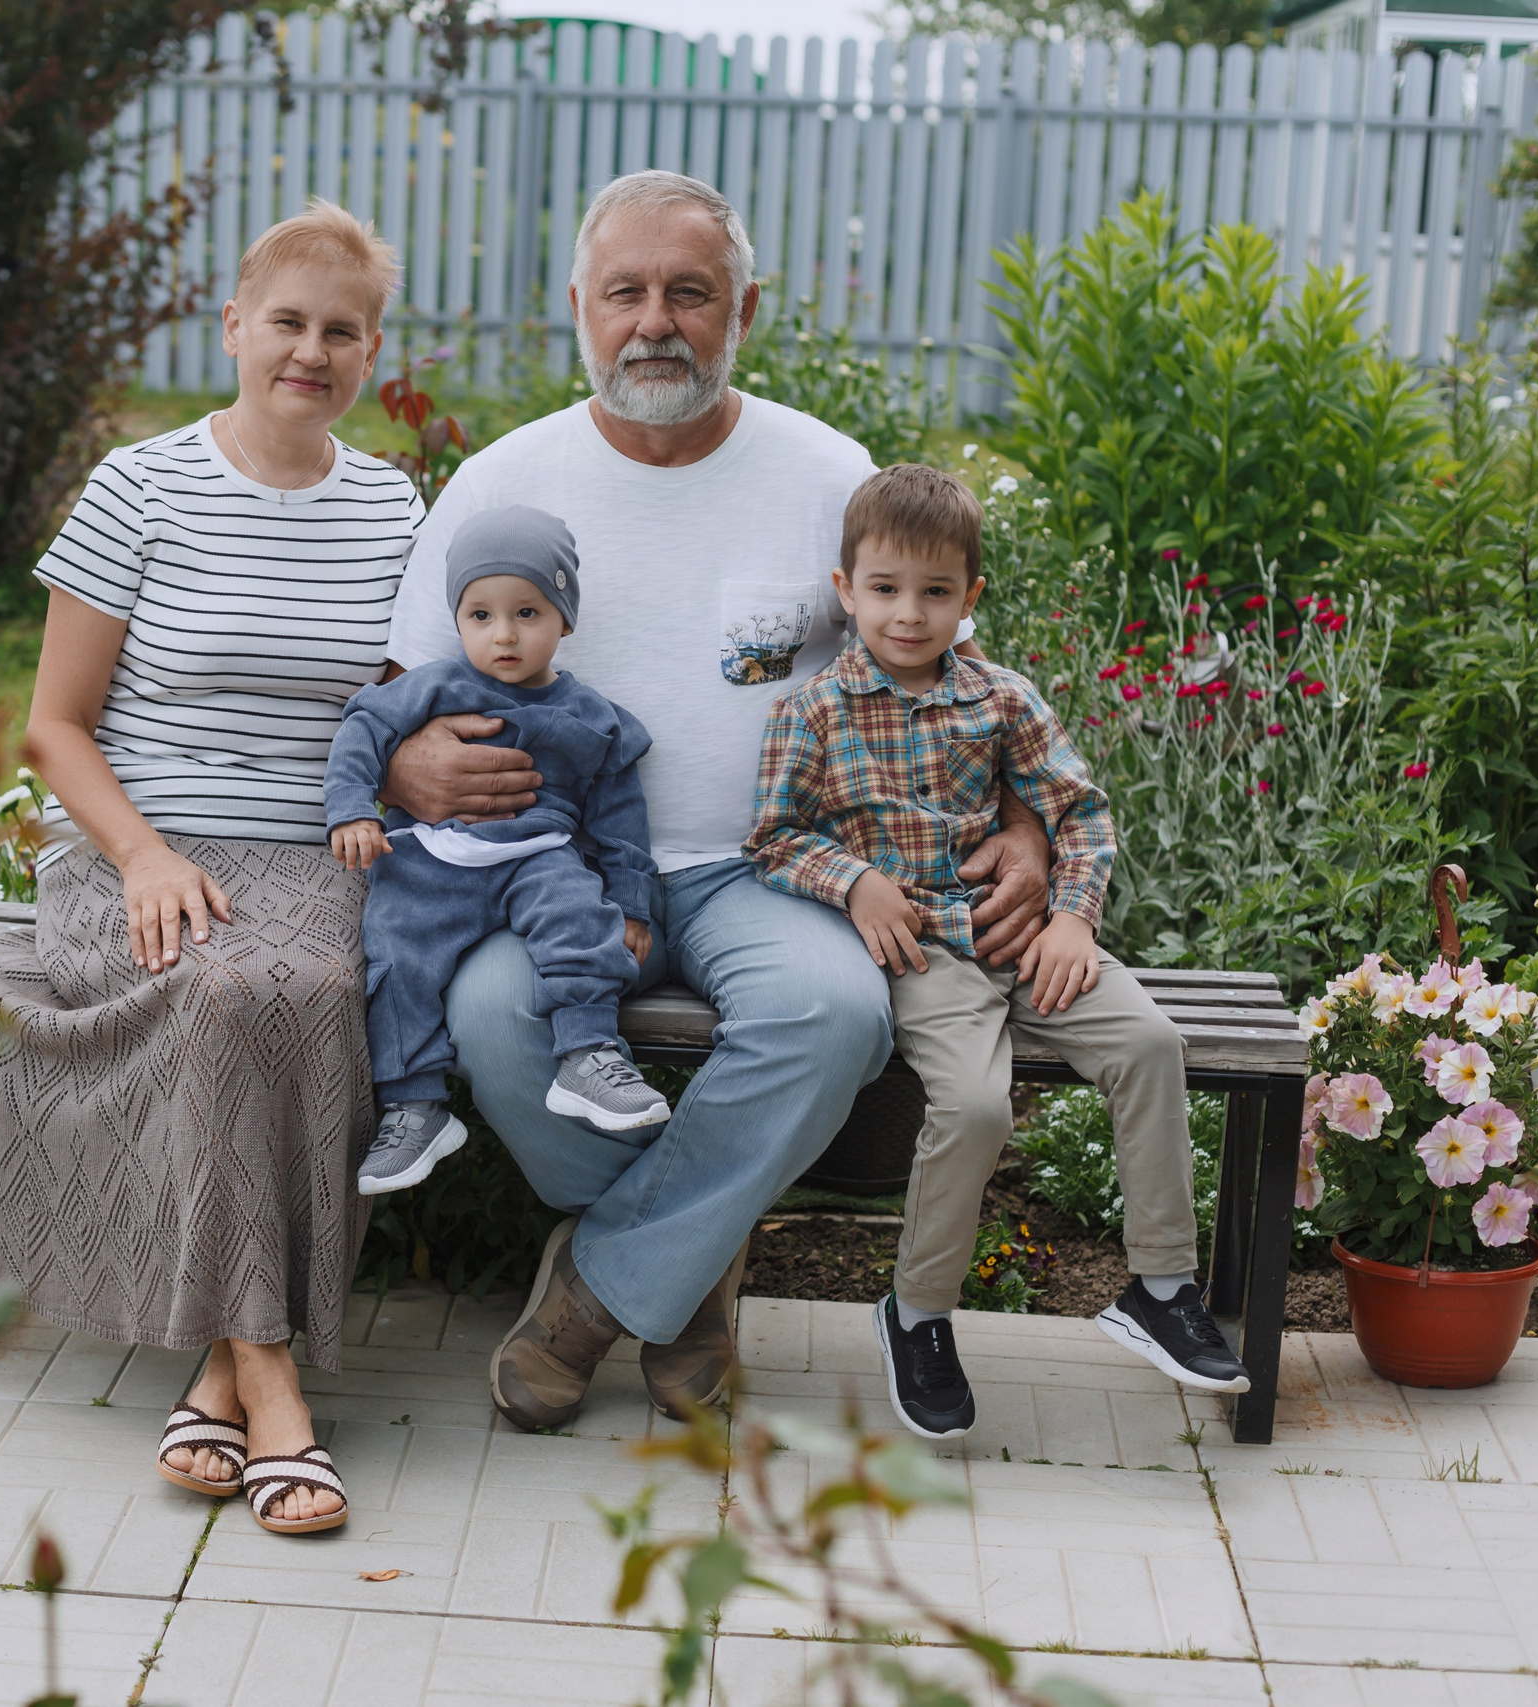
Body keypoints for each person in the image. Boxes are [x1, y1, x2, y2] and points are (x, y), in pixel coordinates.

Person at [378, 170, 1056, 1433]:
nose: (655, 322)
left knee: (836, 1010)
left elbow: (960, 681)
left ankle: (594, 1286)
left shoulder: (821, 473)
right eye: (625, 292)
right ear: (577, 305)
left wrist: (1022, 823)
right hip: (559, 870)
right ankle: (686, 1286)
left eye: (688, 293)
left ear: (745, 306)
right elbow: (397, 687)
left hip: (776, 865)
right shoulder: (504, 481)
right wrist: (409, 769)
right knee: (488, 1013)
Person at [0, 200, 421, 1537]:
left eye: (342, 330)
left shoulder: (396, 506)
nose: (312, 349)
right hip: (135, 850)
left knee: (288, 990)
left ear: (371, 352)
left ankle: (218, 1378)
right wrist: (142, 852)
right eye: (286, 320)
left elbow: (401, 711)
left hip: (317, 854)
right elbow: (57, 721)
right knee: (230, 992)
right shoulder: (140, 484)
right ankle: (274, 1381)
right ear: (234, 325)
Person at [744, 463, 1251, 1441]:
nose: (907, 614)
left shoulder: (1001, 699)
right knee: (974, 1104)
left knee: (1149, 1045)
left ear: (969, 598)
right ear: (844, 591)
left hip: (1023, 939)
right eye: (884, 589)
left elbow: (1081, 814)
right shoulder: (810, 710)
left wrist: (1073, 917)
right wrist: (855, 882)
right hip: (925, 956)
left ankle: (1161, 1286)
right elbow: (770, 837)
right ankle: (920, 1313)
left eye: (935, 592)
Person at [327, 506, 669, 1198]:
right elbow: (363, 728)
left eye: (528, 612)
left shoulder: (592, 717)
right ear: (457, 620)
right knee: (395, 957)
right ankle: (414, 1104)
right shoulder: (433, 686)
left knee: (580, 915)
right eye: (479, 615)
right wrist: (354, 810)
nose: (504, 634)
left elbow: (620, 823)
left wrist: (632, 903)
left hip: (539, 855)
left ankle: (589, 1053)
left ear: (564, 618)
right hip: (435, 861)